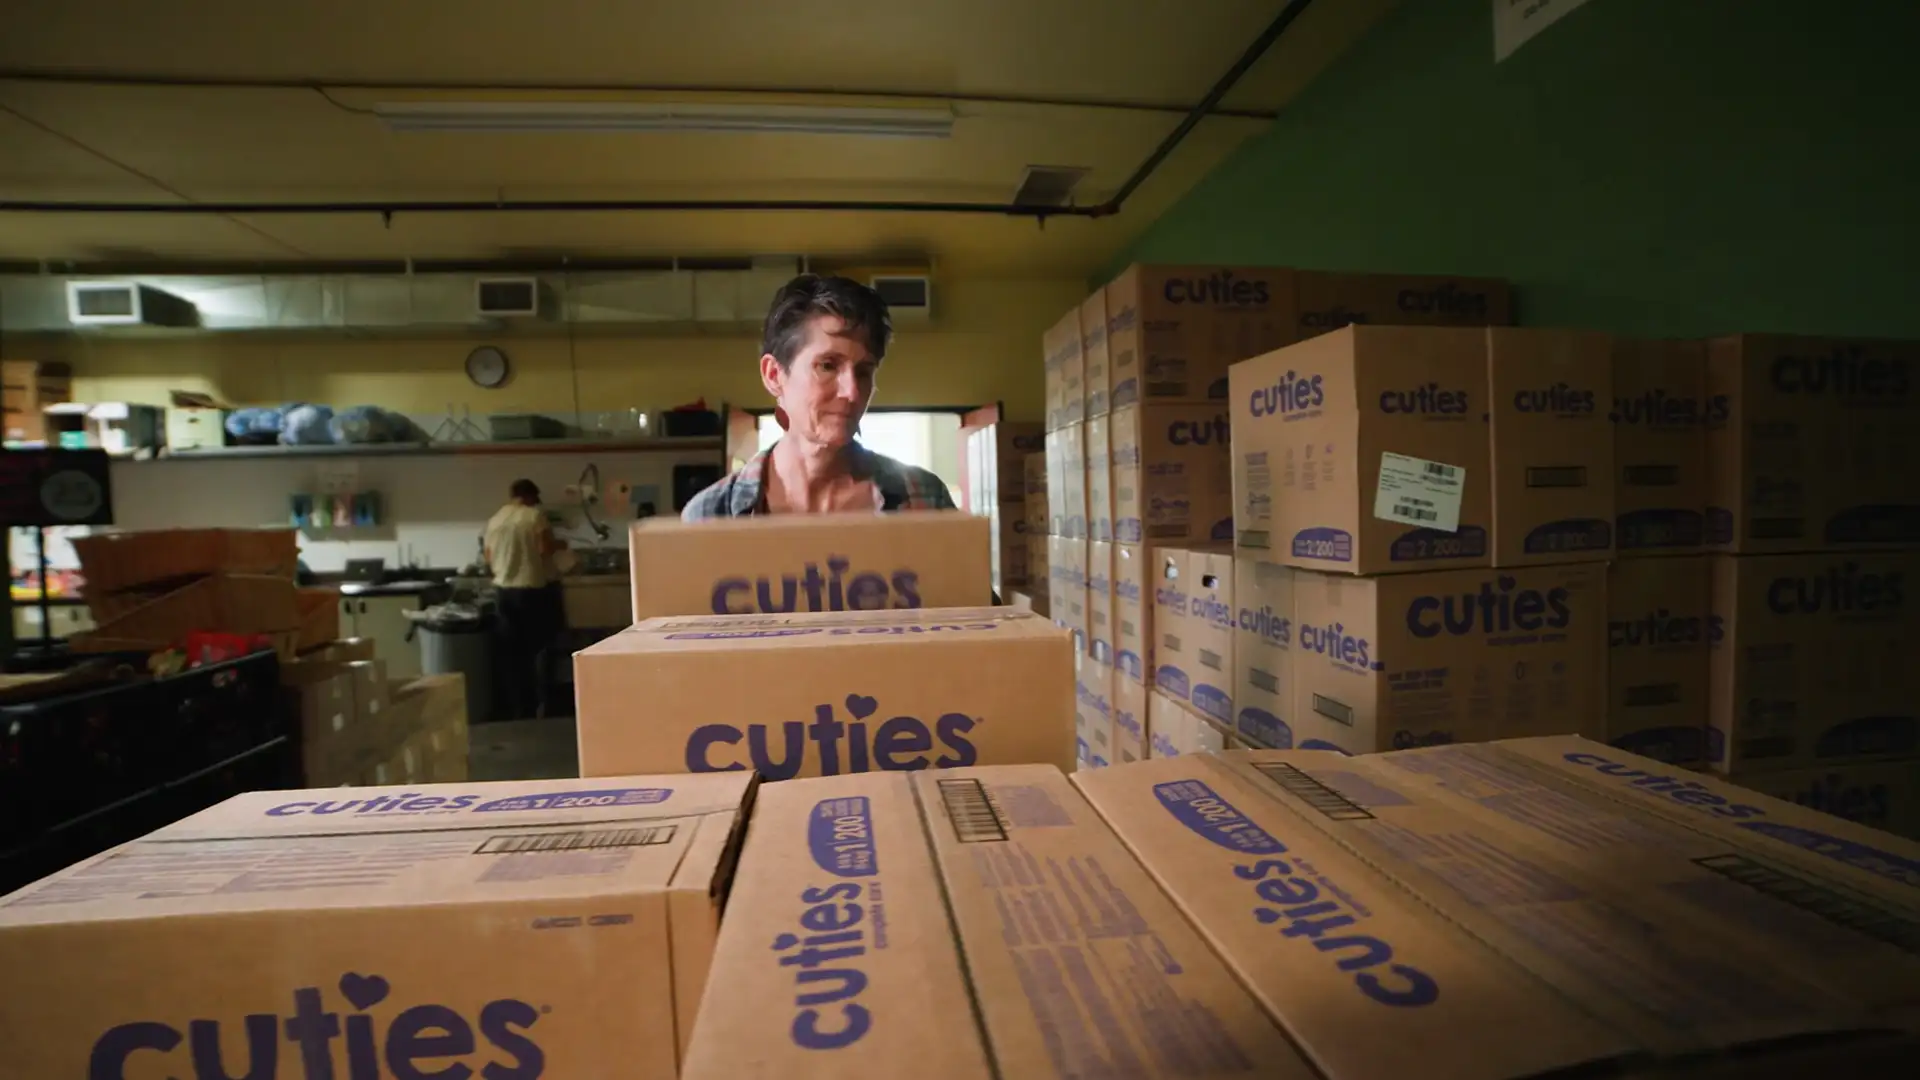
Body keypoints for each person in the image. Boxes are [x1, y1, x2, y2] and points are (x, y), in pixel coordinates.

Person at [682, 273, 957, 519]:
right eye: (827, 366)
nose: (851, 392)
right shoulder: (711, 515)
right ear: (774, 375)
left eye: (863, 371)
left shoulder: (925, 500)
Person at [485, 478, 566, 719]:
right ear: (530, 496)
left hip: (503, 593)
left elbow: (488, 557)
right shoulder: (533, 517)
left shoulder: (495, 520)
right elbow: (544, 549)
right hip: (531, 592)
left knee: (512, 654)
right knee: (538, 650)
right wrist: (560, 543)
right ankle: (543, 704)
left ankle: (518, 708)